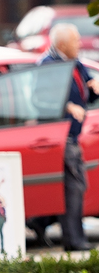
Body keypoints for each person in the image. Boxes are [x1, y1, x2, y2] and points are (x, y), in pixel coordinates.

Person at [39, 23, 99, 250]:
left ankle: (40, 221)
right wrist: (67, 106)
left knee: (72, 186)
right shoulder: (48, 65)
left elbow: (87, 91)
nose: (80, 44)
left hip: (73, 136)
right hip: (58, 137)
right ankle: (74, 240)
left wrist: (94, 87)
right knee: (75, 186)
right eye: (75, 41)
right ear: (62, 44)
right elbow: (42, 100)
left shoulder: (75, 63)